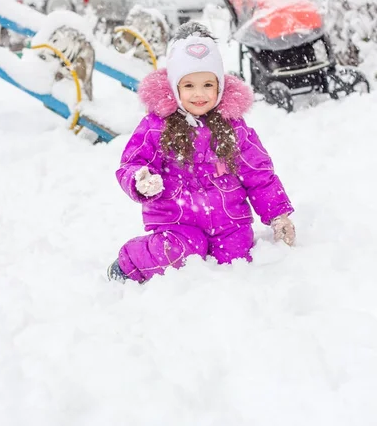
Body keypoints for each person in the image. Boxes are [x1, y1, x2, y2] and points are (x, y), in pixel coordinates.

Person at [108, 22, 295, 283]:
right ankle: (131, 261)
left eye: (208, 84)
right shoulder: (157, 126)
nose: (199, 94)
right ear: (175, 87)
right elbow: (132, 163)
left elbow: (259, 174)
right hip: (176, 221)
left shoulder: (233, 126)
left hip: (229, 222)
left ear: (219, 85)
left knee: (236, 258)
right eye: (189, 86)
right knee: (180, 252)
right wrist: (140, 180)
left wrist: (278, 214)